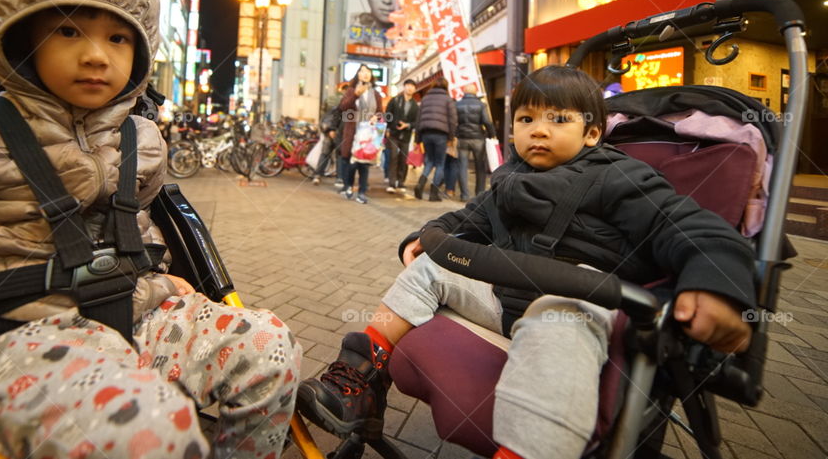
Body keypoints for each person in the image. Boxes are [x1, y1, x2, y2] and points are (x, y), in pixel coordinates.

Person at [0, 0, 300, 459]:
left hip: (133, 311)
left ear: (139, 53)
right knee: (152, 432)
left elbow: (134, 224)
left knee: (270, 344)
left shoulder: (141, 141)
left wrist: (159, 276)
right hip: (16, 334)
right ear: (24, 36)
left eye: (118, 39)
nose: (96, 54)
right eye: (68, 29)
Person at [296, 65, 755, 459]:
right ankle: (359, 377)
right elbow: (467, 218)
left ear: (592, 132)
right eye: (526, 117)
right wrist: (424, 235)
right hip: (506, 297)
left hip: (577, 304)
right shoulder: (510, 177)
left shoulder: (618, 175)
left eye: (558, 119)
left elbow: (686, 225)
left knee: (558, 317)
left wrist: (714, 283)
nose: (538, 129)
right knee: (432, 267)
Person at [338, 65, 383, 204]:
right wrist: (356, 95)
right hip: (353, 132)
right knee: (352, 163)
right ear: (357, 74)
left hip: (368, 133)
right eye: (362, 71)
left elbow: (380, 111)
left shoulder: (375, 93)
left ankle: (362, 192)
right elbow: (343, 107)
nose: (365, 74)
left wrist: (377, 117)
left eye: (368, 72)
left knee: (365, 163)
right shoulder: (351, 90)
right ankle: (349, 186)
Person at [413, 77, 457, 201]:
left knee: (429, 161)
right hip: (441, 135)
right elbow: (453, 120)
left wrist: (418, 139)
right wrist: (451, 137)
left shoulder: (425, 99)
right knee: (440, 164)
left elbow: (418, 119)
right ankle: (433, 194)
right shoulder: (448, 99)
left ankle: (420, 185)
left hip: (426, 134)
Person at [455, 83, 497, 201]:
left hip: (462, 138)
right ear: (475, 92)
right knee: (480, 166)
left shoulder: (457, 104)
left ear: (464, 91)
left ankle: (464, 195)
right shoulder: (481, 105)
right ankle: (479, 194)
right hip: (478, 138)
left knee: (462, 166)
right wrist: (492, 134)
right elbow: (487, 122)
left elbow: (454, 122)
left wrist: (455, 134)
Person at [384, 79, 419, 193]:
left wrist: (407, 125)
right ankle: (392, 183)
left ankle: (401, 182)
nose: (410, 88)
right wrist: (392, 126)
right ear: (404, 87)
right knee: (393, 157)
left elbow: (416, 122)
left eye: (412, 86)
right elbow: (388, 115)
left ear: (414, 89)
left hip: (406, 135)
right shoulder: (395, 100)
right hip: (394, 134)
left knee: (403, 159)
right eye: (408, 85)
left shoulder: (415, 105)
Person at [313, 84, 349, 185]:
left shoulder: (329, 99)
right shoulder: (346, 101)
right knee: (339, 155)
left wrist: (324, 127)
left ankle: (317, 175)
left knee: (325, 153)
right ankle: (339, 178)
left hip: (327, 129)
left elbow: (322, 113)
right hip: (338, 130)